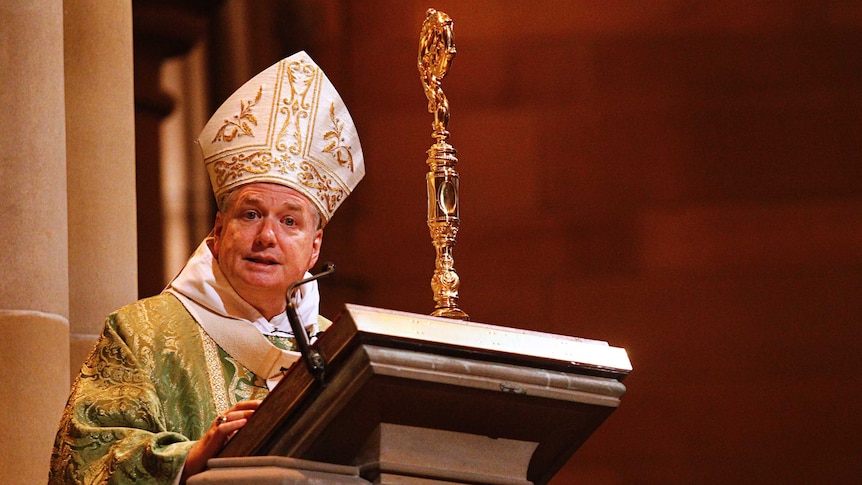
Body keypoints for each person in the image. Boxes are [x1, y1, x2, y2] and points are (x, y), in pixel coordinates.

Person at [49, 51, 365, 484]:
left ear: (314, 248)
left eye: (289, 221)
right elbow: (82, 463)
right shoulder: (142, 333)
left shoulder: (342, 351)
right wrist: (192, 456)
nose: (267, 237)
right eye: (251, 214)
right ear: (218, 229)